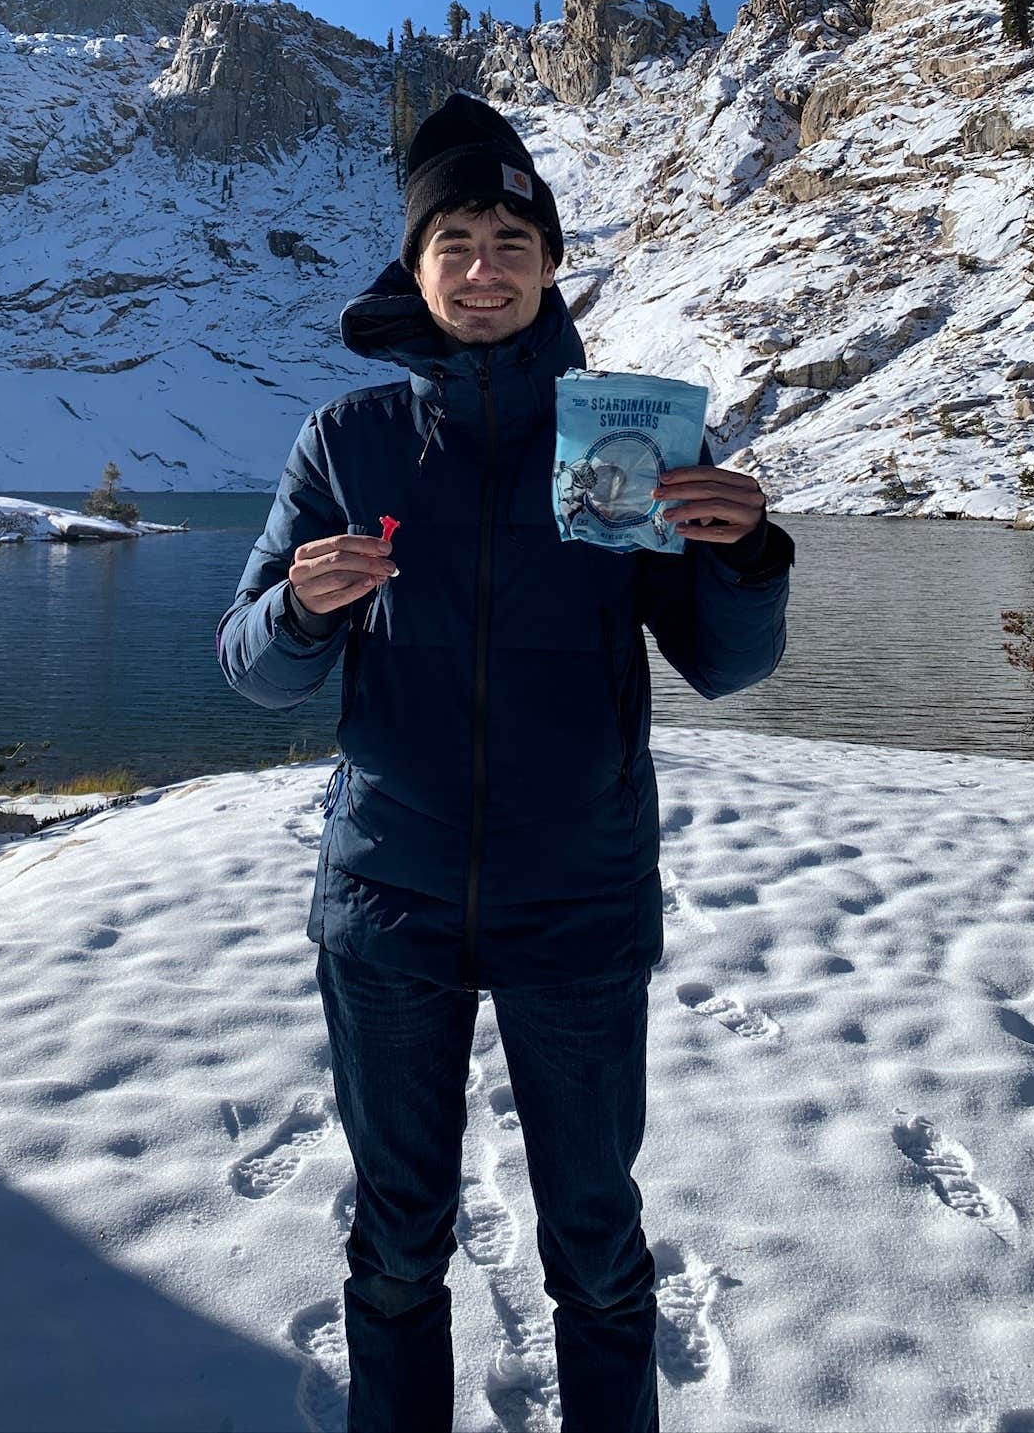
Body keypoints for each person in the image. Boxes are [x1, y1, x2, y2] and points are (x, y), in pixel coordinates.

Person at [217, 93, 793, 1433]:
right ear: (414, 270)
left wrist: (743, 555)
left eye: (510, 240)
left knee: (596, 1242)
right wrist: (301, 606)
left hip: (577, 900)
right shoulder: (346, 441)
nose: (484, 267)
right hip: (387, 904)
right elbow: (250, 666)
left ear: (547, 263)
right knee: (395, 1247)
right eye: (455, 241)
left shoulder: (630, 435)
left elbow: (724, 664)